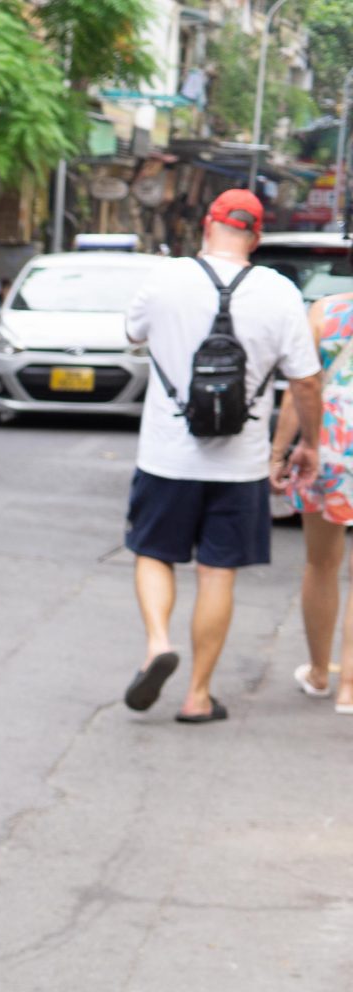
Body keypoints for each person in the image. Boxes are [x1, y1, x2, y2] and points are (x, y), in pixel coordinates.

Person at [120, 189, 322, 724]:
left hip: (166, 456)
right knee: (217, 573)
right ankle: (198, 696)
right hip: (241, 463)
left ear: (207, 226)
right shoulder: (279, 293)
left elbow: (131, 333)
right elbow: (306, 381)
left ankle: (157, 643)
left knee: (153, 552)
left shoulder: (166, 278)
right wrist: (307, 444)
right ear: (255, 238)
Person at [269, 291, 353, 712]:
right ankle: (350, 688)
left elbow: (300, 388)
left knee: (321, 563)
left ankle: (321, 673)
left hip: (332, 443)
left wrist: (279, 452)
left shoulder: (325, 311)